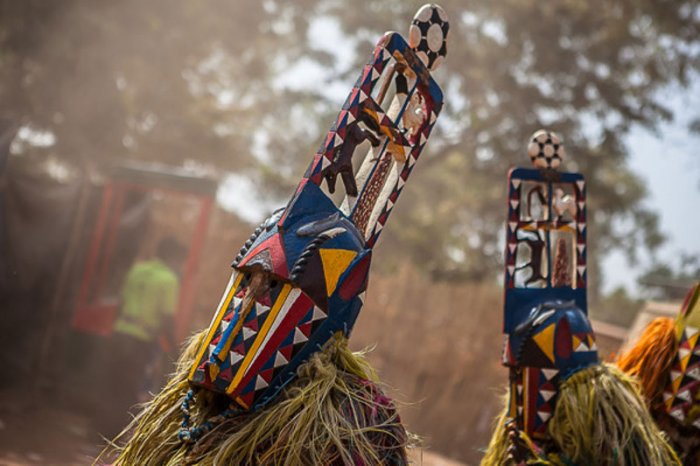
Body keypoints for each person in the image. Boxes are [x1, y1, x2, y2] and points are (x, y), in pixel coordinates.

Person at [107, 236, 186, 433]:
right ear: (171, 256)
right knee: (128, 388)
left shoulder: (137, 270)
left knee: (110, 382)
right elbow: (167, 319)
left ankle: (96, 428)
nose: (180, 265)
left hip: (118, 332)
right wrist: (175, 350)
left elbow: (121, 302)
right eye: (179, 260)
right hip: (139, 341)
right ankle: (113, 434)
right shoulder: (169, 280)